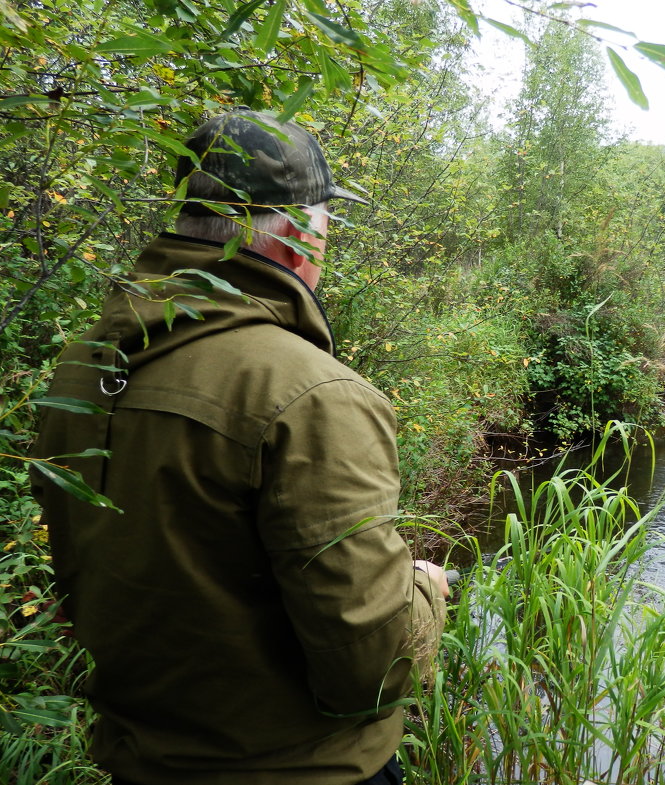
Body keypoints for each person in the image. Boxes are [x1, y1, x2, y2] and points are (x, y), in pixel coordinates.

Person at [29, 108, 449, 785]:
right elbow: (368, 671)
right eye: (325, 231)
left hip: (141, 760)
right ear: (295, 242)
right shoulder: (311, 394)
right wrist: (425, 595)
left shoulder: (83, 368)